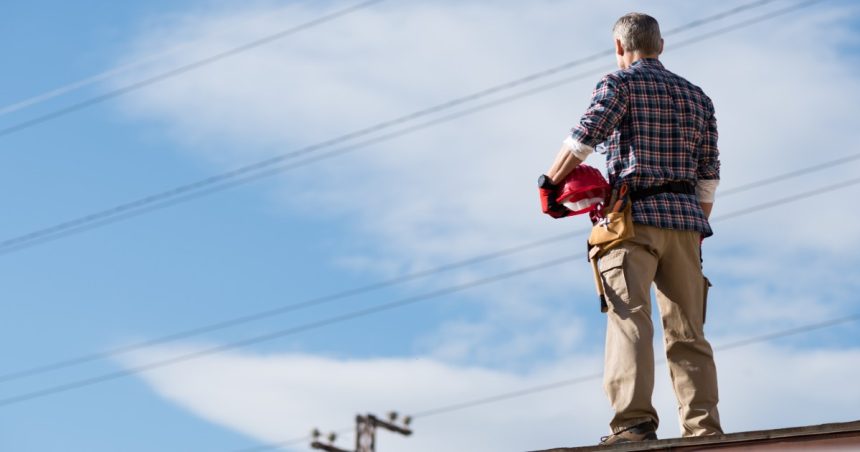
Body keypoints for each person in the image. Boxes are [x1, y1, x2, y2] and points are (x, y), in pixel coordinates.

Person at [539, 12, 723, 444]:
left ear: (620, 48)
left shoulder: (618, 83)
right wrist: (693, 232)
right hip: (686, 224)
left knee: (630, 320)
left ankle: (634, 424)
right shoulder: (698, 97)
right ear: (661, 46)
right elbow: (709, 175)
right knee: (689, 333)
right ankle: (704, 431)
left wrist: (549, 182)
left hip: (632, 222)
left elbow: (585, 137)